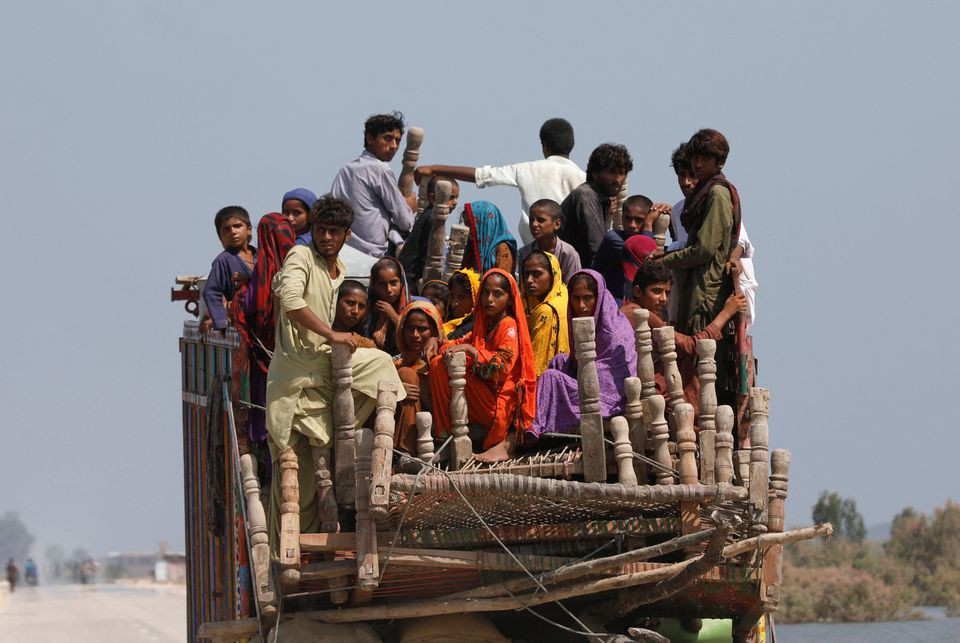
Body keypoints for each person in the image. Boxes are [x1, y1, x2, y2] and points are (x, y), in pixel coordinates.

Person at [265, 194, 405, 553]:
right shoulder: (301, 257)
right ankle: (288, 550)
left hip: (324, 364)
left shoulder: (339, 270)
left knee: (384, 367)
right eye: (321, 230)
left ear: (346, 235)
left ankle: (382, 447)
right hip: (297, 372)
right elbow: (291, 300)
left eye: (334, 232)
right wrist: (332, 335)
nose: (327, 237)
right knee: (300, 485)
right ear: (313, 231)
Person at [414, 117, 586, 245]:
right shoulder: (584, 179)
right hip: (570, 255)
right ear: (572, 145)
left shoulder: (528, 169)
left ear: (544, 145)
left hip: (534, 256)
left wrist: (434, 168)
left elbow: (482, 176)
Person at [429, 270, 537, 463]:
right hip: (484, 394)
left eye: (497, 294)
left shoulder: (508, 326)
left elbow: (502, 367)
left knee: (443, 366)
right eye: (486, 293)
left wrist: (471, 351)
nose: (489, 299)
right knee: (439, 362)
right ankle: (444, 436)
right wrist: (437, 343)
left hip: (499, 402)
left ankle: (452, 437)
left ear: (509, 299)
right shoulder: (484, 325)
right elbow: (458, 343)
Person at [621, 261, 746, 413]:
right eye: (657, 291)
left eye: (667, 293)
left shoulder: (629, 311)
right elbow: (691, 346)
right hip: (651, 397)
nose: (664, 299)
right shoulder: (641, 315)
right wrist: (726, 313)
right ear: (637, 291)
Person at [529, 270, 637, 442]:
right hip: (588, 384)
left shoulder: (615, 331)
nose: (581, 306)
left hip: (608, 402)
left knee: (551, 378)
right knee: (559, 361)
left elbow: (609, 382)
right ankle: (546, 424)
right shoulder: (584, 322)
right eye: (576, 298)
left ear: (599, 297)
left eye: (587, 298)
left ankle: (534, 430)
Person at [656, 129, 741, 336]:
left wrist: (665, 261)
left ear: (719, 162)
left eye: (705, 159)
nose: (698, 164)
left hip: (707, 290)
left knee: (703, 350)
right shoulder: (701, 194)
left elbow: (704, 250)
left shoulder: (717, 194)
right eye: (695, 158)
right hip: (696, 285)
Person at [667, 142, 758, 329]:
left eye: (691, 175)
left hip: (713, 288)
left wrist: (733, 259)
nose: (686, 182)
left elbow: (738, 240)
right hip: (691, 287)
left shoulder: (716, 197)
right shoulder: (678, 211)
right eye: (681, 175)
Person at [231, 213, 296, 449]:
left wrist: (240, 293)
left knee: (267, 411)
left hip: (264, 358)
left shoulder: (263, 271)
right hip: (292, 357)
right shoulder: (299, 269)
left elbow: (252, 306)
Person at [330, 112, 417, 257]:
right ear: (370, 138)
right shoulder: (380, 169)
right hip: (372, 254)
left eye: (397, 141)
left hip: (343, 251)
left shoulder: (346, 169)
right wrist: (408, 207)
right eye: (388, 139)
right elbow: (405, 222)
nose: (394, 146)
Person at [559, 144, 633, 268]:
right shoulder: (586, 196)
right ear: (595, 173)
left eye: (622, 173)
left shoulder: (602, 198)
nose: (618, 179)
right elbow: (598, 249)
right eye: (612, 172)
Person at [393, 301, 446, 455]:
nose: (415, 335)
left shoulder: (441, 359)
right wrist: (397, 390)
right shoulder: (394, 362)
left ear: (434, 331)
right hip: (393, 427)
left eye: (422, 329)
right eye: (409, 329)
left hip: (433, 433)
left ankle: (405, 449)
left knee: (407, 374)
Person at [398, 176, 460, 293]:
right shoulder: (432, 219)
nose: (455, 202)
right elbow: (426, 254)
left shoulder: (429, 214)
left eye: (456, 197)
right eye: (451, 197)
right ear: (433, 198)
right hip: (411, 279)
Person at [591, 194, 658, 302]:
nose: (632, 225)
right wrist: (648, 226)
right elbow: (643, 255)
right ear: (622, 218)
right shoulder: (613, 238)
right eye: (628, 219)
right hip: (611, 300)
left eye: (639, 220)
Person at [202, 206, 256, 332]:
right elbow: (211, 291)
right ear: (220, 237)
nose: (233, 232)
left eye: (237, 226)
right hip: (241, 324)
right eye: (226, 229)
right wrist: (221, 321)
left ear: (249, 229)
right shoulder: (224, 260)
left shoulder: (261, 256)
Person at [521, 251, 569, 376]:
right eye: (526, 274)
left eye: (537, 274)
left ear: (552, 275)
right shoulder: (564, 294)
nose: (529, 280)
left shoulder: (546, 311)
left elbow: (537, 366)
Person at [517, 199, 581, 285]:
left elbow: (573, 288)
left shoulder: (568, 254)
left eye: (540, 220)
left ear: (557, 224)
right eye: (531, 220)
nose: (534, 224)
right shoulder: (524, 254)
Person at [364, 257, 409, 355]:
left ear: (401, 283)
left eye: (393, 283)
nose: (388, 289)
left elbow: (414, 337)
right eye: (382, 284)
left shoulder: (412, 307)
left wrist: (393, 316)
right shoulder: (365, 308)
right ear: (374, 286)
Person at [461, 201, 517, 274]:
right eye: (466, 224)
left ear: (485, 224)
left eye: (471, 224)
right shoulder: (472, 248)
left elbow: (501, 282)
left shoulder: (502, 249)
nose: (468, 229)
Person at [332, 280, 376, 349]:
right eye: (350, 303)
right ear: (335, 301)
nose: (356, 311)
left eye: (361, 306)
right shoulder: (318, 335)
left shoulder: (365, 344)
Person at [444, 268, 481, 339]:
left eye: (461, 298)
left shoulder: (473, 328)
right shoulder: (446, 320)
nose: (454, 303)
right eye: (452, 296)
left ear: (474, 299)